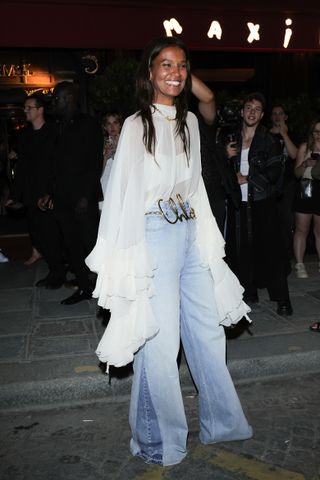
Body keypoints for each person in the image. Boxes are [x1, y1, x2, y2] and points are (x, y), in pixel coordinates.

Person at [86, 36, 252, 467]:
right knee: (158, 343)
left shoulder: (192, 123)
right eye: (165, 65)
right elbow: (121, 195)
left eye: (181, 66)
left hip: (190, 230)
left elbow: (196, 187)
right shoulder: (135, 125)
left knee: (208, 333)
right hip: (153, 233)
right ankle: (158, 438)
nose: (175, 73)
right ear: (150, 73)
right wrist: (128, 261)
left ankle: (224, 423)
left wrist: (208, 244)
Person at [225, 92, 293, 316]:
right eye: (248, 107)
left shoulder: (269, 140)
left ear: (262, 114)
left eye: (256, 109)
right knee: (242, 251)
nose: (252, 112)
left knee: (271, 252)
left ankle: (283, 299)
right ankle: (249, 291)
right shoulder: (231, 138)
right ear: (242, 111)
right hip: (239, 205)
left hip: (263, 203)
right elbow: (219, 170)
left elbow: (275, 170)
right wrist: (226, 159)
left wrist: (247, 178)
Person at [38, 81, 103, 304]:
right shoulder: (56, 126)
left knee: (92, 244)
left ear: (69, 99)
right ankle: (84, 287)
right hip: (62, 197)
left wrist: (86, 196)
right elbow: (52, 163)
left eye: (57, 98)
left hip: (82, 198)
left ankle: (106, 289)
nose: (53, 103)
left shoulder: (88, 124)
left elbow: (94, 162)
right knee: (71, 245)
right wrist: (48, 192)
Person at [6, 93, 65, 287]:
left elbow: (59, 164)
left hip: (49, 192)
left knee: (51, 235)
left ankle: (58, 273)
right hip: (31, 193)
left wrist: (53, 192)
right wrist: (14, 195)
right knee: (38, 234)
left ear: (40, 110)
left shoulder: (54, 132)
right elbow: (22, 168)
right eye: (25, 108)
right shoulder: (24, 136)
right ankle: (54, 270)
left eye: (28, 108)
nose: (25, 111)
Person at [191, 75, 240, 234]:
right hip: (185, 194)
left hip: (211, 192)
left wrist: (180, 71)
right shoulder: (164, 122)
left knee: (214, 247)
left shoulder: (200, 122)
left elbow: (208, 98)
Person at [292, 119, 320, 278]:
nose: (318, 135)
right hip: (306, 188)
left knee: (319, 231)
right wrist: (305, 165)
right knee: (302, 229)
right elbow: (296, 174)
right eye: (316, 131)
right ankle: (300, 265)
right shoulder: (305, 147)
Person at [269, 104, 298, 258]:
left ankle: (287, 251)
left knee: (287, 218)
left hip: (287, 184)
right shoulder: (265, 135)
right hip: (270, 184)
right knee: (272, 219)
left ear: (285, 117)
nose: (277, 116)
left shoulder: (291, 134)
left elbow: (294, 155)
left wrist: (284, 134)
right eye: (274, 113)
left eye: (280, 113)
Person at [99, 112, 123, 209]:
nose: (112, 126)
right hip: (106, 191)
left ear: (120, 125)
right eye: (109, 124)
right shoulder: (101, 144)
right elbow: (97, 174)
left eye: (115, 123)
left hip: (122, 191)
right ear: (105, 127)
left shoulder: (127, 142)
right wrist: (105, 156)